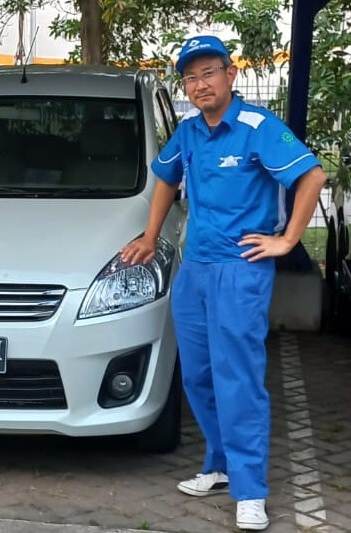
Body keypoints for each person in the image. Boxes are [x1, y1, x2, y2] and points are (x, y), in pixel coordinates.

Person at [121, 36, 326, 531]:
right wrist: (150, 236)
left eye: (209, 72)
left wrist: (287, 240)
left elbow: (313, 177)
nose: (200, 84)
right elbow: (166, 177)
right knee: (198, 375)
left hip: (240, 270)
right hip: (195, 268)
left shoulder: (257, 126)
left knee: (238, 379)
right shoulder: (189, 131)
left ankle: (250, 489)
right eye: (190, 77)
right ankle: (219, 465)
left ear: (230, 75)